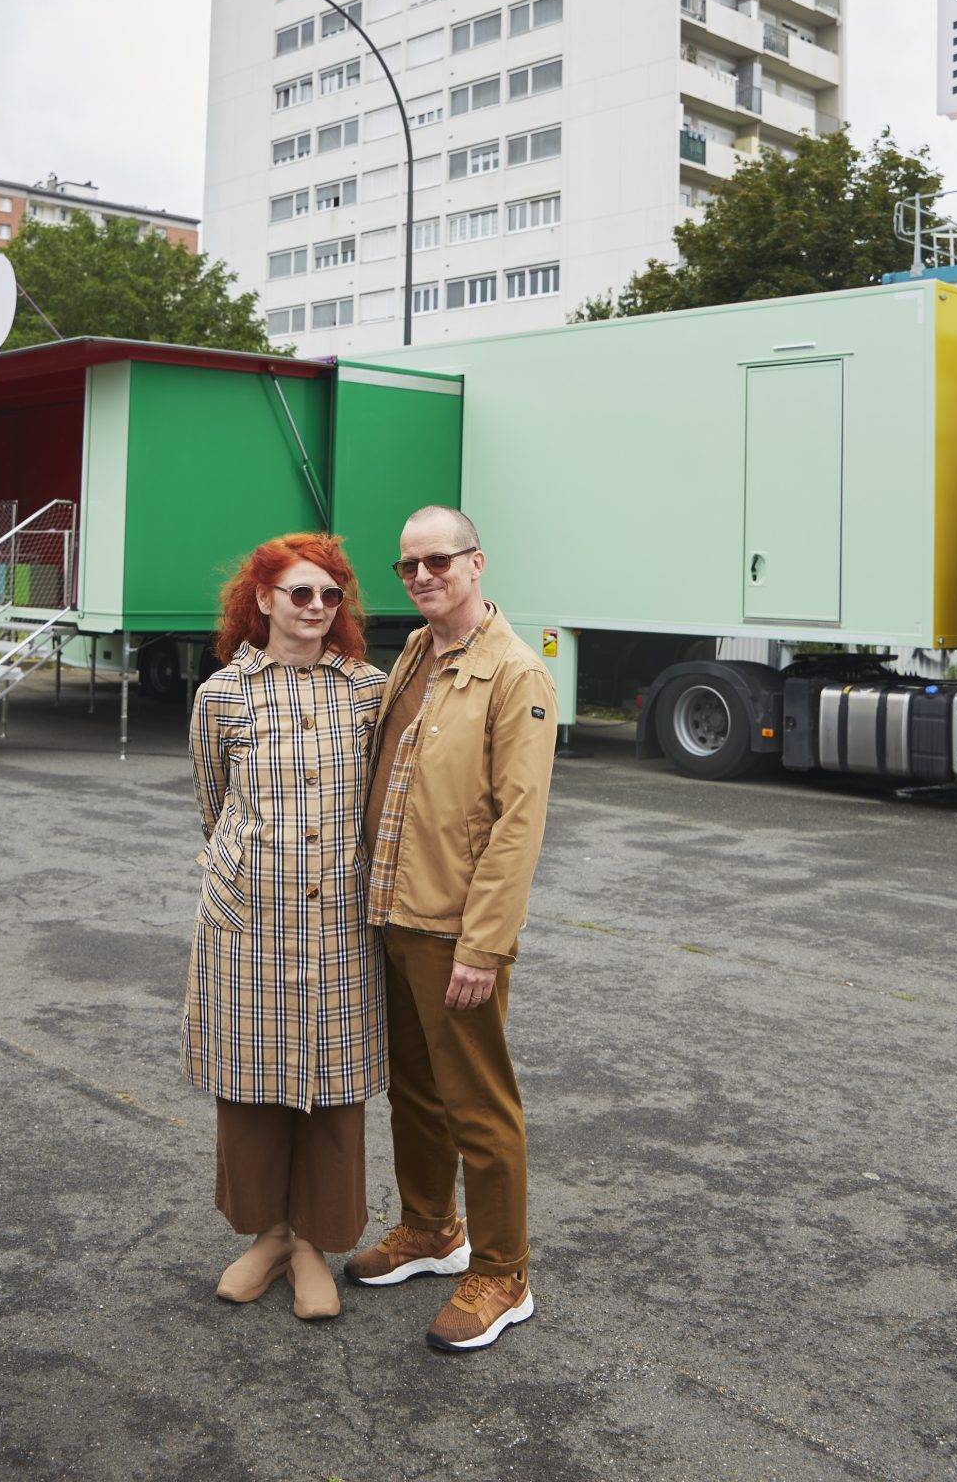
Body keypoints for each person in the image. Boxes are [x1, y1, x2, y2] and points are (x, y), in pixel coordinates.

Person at [344, 505, 558, 1354]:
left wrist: (483, 943)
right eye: (407, 566)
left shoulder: (514, 672)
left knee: (479, 1104)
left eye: (438, 560)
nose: (422, 576)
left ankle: (503, 1273)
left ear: (475, 562)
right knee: (414, 1091)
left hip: (453, 929)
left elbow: (518, 821)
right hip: (392, 912)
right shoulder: (415, 653)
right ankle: (431, 1230)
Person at [182, 532, 387, 1320]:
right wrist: (244, 878)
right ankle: (266, 1236)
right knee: (252, 1088)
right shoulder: (221, 697)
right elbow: (213, 807)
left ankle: (313, 1248)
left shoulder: (366, 690)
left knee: (333, 1091)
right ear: (262, 599)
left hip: (339, 916)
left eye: (329, 596)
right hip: (249, 920)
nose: (315, 608)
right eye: (300, 593)